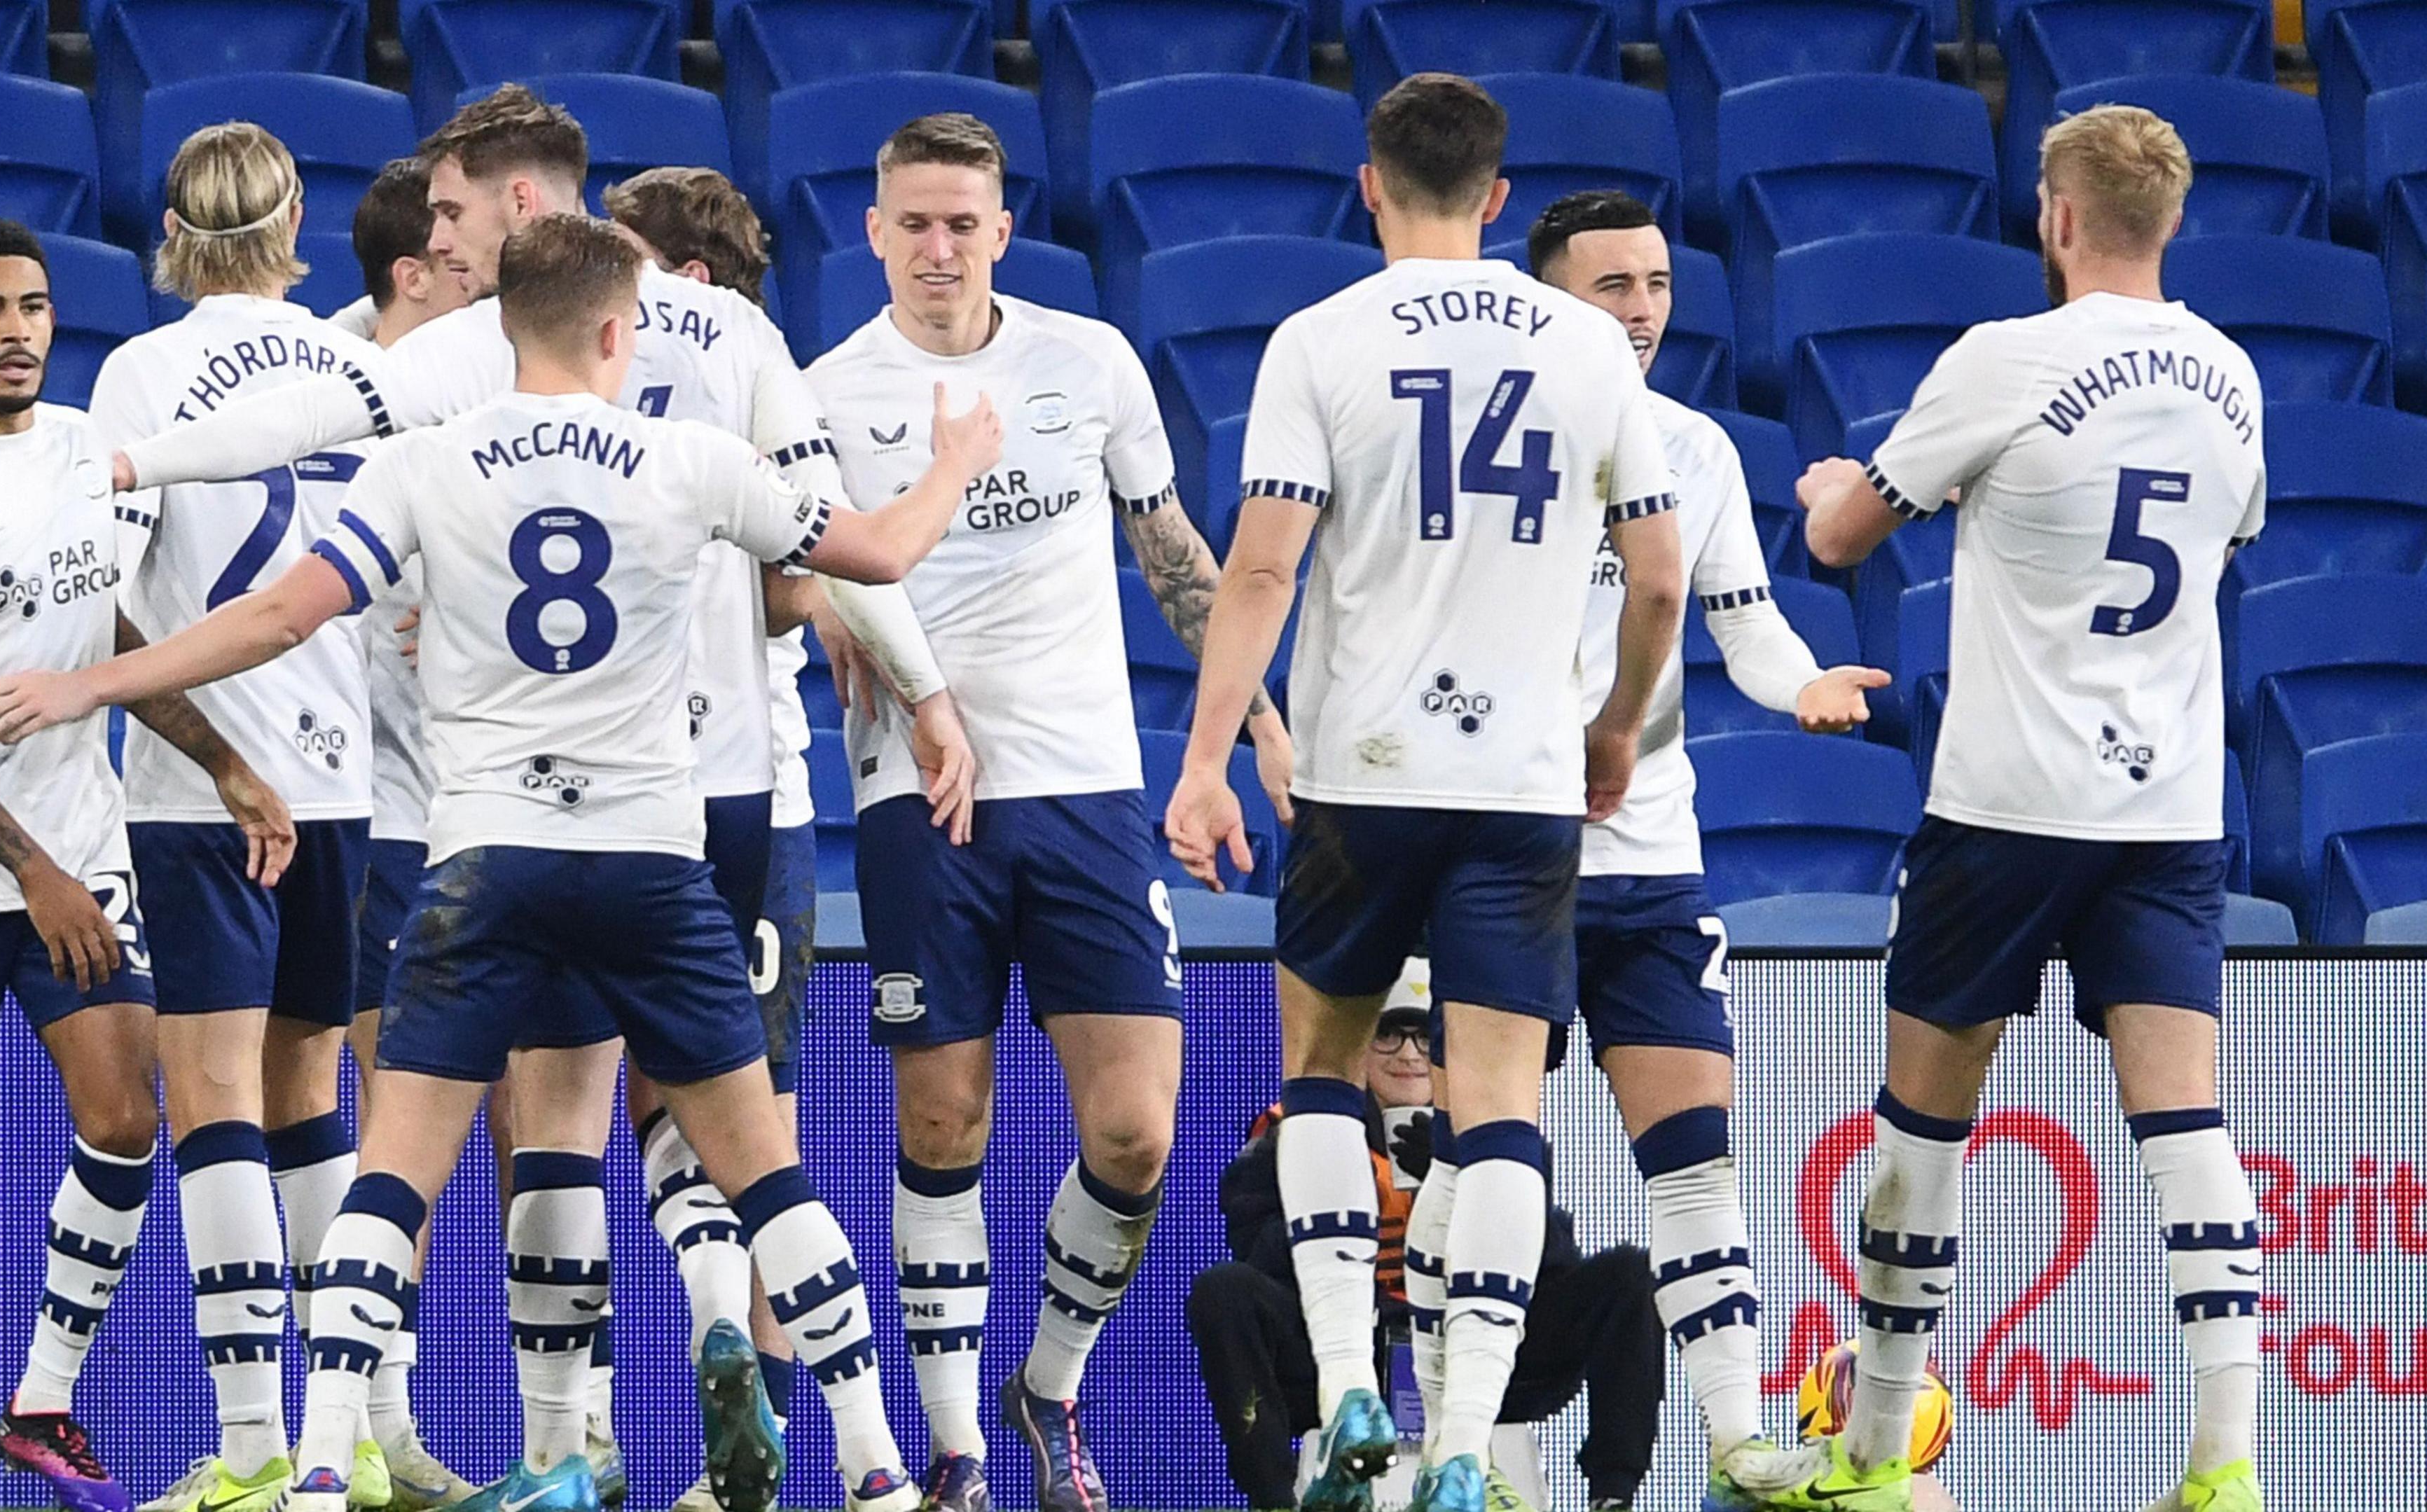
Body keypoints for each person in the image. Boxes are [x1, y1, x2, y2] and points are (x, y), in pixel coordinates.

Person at [0, 215, 999, 1512]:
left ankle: (323, 1466)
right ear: (622, 329)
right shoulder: (695, 460)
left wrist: (94, 682)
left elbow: (278, 614)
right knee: (765, 1169)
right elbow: (882, 553)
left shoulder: (427, 464)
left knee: (395, 1173)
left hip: (482, 862)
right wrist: (957, 460)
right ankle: (878, 1469)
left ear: (501, 326)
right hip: (647, 862)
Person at [1165, 74, 1685, 1512]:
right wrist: (1618, 724)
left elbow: (1262, 566)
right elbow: (1656, 573)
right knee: (1503, 1104)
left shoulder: (1320, 338)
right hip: (1521, 775)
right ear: (1501, 196)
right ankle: (1462, 1438)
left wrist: (1207, 759)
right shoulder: (1590, 346)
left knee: (1319, 1068)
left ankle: (1346, 1392)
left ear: (1371, 186)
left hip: (1360, 771)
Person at [1774, 106, 2266, 1512]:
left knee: (1923, 1125)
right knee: (2186, 1121)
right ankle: (2225, 1459)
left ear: (2056, 214)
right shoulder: (2231, 376)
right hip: (2168, 804)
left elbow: (1839, 534)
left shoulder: (2006, 358)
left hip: (2005, 802)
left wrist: (1829, 484)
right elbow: (2227, 533)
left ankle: (1872, 1449)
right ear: (2168, 222)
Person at [803, 110, 1295, 1512]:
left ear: (1004, 229)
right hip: (922, 792)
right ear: (876, 231)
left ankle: (1049, 1385)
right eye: (916, 221)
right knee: (945, 1118)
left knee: (1138, 1128)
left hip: (1088, 788)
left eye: (966, 220)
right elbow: (818, 570)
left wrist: (1254, 718)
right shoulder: (831, 389)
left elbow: (1175, 555)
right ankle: (958, 1447)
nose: (941, 245)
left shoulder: (1087, 362)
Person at [0, 215, 291, 1512]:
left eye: (33, 305)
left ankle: (40, 1399)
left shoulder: (95, 450)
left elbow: (115, 624)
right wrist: (36, 872)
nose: (18, 328)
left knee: (126, 1122)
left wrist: (223, 759)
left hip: (79, 857)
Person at [1521, 188, 1892, 1504]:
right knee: (1492, 1167)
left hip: (1653, 863)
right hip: (1504, 860)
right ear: (1547, 294)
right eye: (1611, 284)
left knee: (1696, 1156)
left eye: (1658, 284)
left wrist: (1800, 687)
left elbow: (1746, 623)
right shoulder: (1491, 448)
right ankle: (1492, 1461)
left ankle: (1737, 1439)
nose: (1640, 310)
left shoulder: (1695, 449)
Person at [90, 123, 403, 1512]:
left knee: (211, 1099)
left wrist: (217, 754)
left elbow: (94, 596)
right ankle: (361, 1440)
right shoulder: (366, 367)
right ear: (296, 231)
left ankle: (254, 1443)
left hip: (200, 786)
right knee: (316, 1099)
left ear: (175, 231)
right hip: (353, 786)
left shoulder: (139, 375)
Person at [604, 162, 830, 1457]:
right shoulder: (756, 383)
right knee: (763, 1118)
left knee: (654, 1096)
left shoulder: (690, 379)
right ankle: (768, 1433)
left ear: (683, 279)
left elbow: (796, 585)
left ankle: (700, 1349)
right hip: (764, 792)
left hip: (644, 793)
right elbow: (806, 585)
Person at [1189, 964, 1665, 1511]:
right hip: (1342, 1355)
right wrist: (1342, 1205)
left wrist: (1464, 1178)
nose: (1409, 1054)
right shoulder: (1296, 1132)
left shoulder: (1494, 1130)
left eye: (1425, 1035)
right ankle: (1273, 1499)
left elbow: (1549, 1260)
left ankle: (1614, 1494)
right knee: (1223, 1292)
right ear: (1360, 1043)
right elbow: (1259, 1257)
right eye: (1389, 1033)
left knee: (1629, 1274)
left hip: (1486, 1351)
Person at [336, 153, 478, 1512]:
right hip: (375, 814)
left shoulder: (495, 387)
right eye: (451, 246)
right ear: (413, 276)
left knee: (520, 1126)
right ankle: (376, 1429)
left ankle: (575, 1422)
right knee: (399, 1125)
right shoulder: (329, 391)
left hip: (485, 811)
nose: (474, 265)